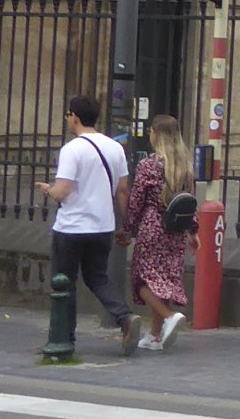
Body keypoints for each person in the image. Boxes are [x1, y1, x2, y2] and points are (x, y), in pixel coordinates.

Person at [36, 92, 133, 353]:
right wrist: (125, 225)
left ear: (75, 117)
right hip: (102, 226)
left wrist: (48, 189)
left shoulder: (72, 150)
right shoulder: (115, 148)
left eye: (68, 115)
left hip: (72, 227)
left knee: (63, 281)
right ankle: (124, 316)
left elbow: (62, 191)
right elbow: (122, 190)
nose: (68, 119)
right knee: (97, 278)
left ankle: (64, 337)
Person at [124, 113, 192, 352]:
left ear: (156, 134)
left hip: (153, 227)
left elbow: (136, 201)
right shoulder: (185, 165)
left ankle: (169, 316)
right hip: (176, 231)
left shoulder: (148, 165)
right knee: (163, 281)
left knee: (141, 279)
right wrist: (193, 230)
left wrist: (127, 228)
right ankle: (154, 335)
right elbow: (189, 199)